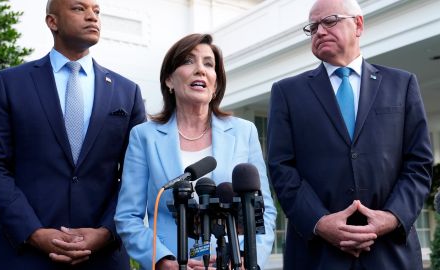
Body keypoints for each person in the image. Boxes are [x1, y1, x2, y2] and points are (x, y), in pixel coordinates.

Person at [0, 0, 146, 269]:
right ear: (52, 22)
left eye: (96, 11)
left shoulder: (127, 91)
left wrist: (105, 232)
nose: (92, 17)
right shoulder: (9, 84)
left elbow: (138, 174)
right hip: (26, 255)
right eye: (79, 9)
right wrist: (33, 232)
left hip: (103, 258)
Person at [267, 0, 433, 269]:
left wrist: (391, 217)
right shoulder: (287, 93)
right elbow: (281, 167)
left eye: (329, 21)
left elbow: (419, 164)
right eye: (313, 26)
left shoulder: (402, 85)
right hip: (317, 255)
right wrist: (319, 222)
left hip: (391, 254)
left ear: (358, 25)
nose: (319, 31)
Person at [114, 33, 277, 269]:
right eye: (188, 61)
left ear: (216, 83)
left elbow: (264, 210)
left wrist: (245, 258)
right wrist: (162, 260)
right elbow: (128, 217)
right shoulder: (144, 136)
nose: (200, 70)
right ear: (169, 80)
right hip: (173, 262)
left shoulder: (245, 132)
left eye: (208, 64)